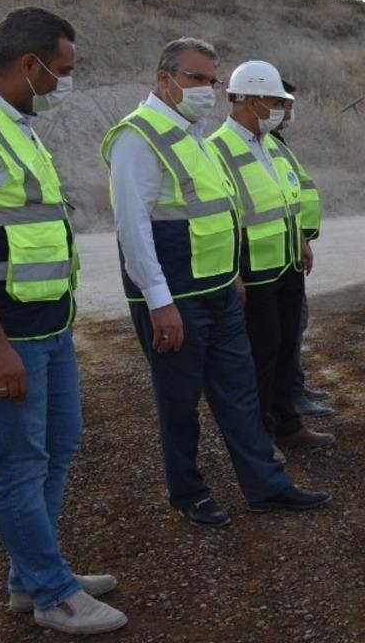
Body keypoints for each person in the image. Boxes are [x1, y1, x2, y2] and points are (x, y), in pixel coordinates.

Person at [101, 39, 330, 528]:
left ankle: (266, 486)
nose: (206, 89)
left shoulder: (193, 135)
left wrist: (231, 278)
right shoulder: (137, 138)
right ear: (164, 79)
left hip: (220, 293)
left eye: (210, 79)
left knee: (240, 392)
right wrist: (159, 302)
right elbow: (133, 229)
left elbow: (219, 216)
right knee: (180, 402)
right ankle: (189, 493)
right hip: (175, 300)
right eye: (195, 79)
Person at [0, 7, 127, 634]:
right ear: (28, 64)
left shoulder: (17, 124)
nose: (63, 83)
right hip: (7, 338)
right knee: (18, 462)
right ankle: (51, 592)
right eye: (60, 71)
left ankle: (30, 576)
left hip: (49, 329)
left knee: (58, 447)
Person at [207, 61, 334, 452]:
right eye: (274, 100)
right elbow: (220, 217)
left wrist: (301, 239)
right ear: (248, 100)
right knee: (259, 360)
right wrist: (232, 274)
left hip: (286, 266)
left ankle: (287, 425)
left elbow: (286, 201)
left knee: (284, 352)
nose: (281, 108)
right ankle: (260, 441)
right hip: (253, 274)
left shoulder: (271, 144)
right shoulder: (216, 149)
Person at [273, 80, 333, 419]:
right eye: (284, 103)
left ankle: (295, 387)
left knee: (296, 325)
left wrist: (303, 239)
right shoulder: (264, 145)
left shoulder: (276, 143)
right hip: (275, 260)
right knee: (286, 332)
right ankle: (288, 398)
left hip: (292, 251)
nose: (289, 111)